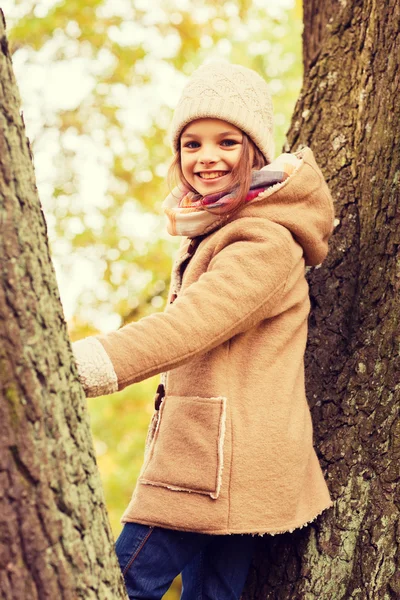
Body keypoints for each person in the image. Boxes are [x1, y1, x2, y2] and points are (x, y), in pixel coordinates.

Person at [72, 60, 335, 600]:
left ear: (256, 150)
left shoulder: (262, 241)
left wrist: (84, 363)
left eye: (226, 142)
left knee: (118, 584)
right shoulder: (225, 230)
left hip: (217, 465)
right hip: (223, 460)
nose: (206, 157)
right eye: (191, 144)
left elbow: (190, 326)